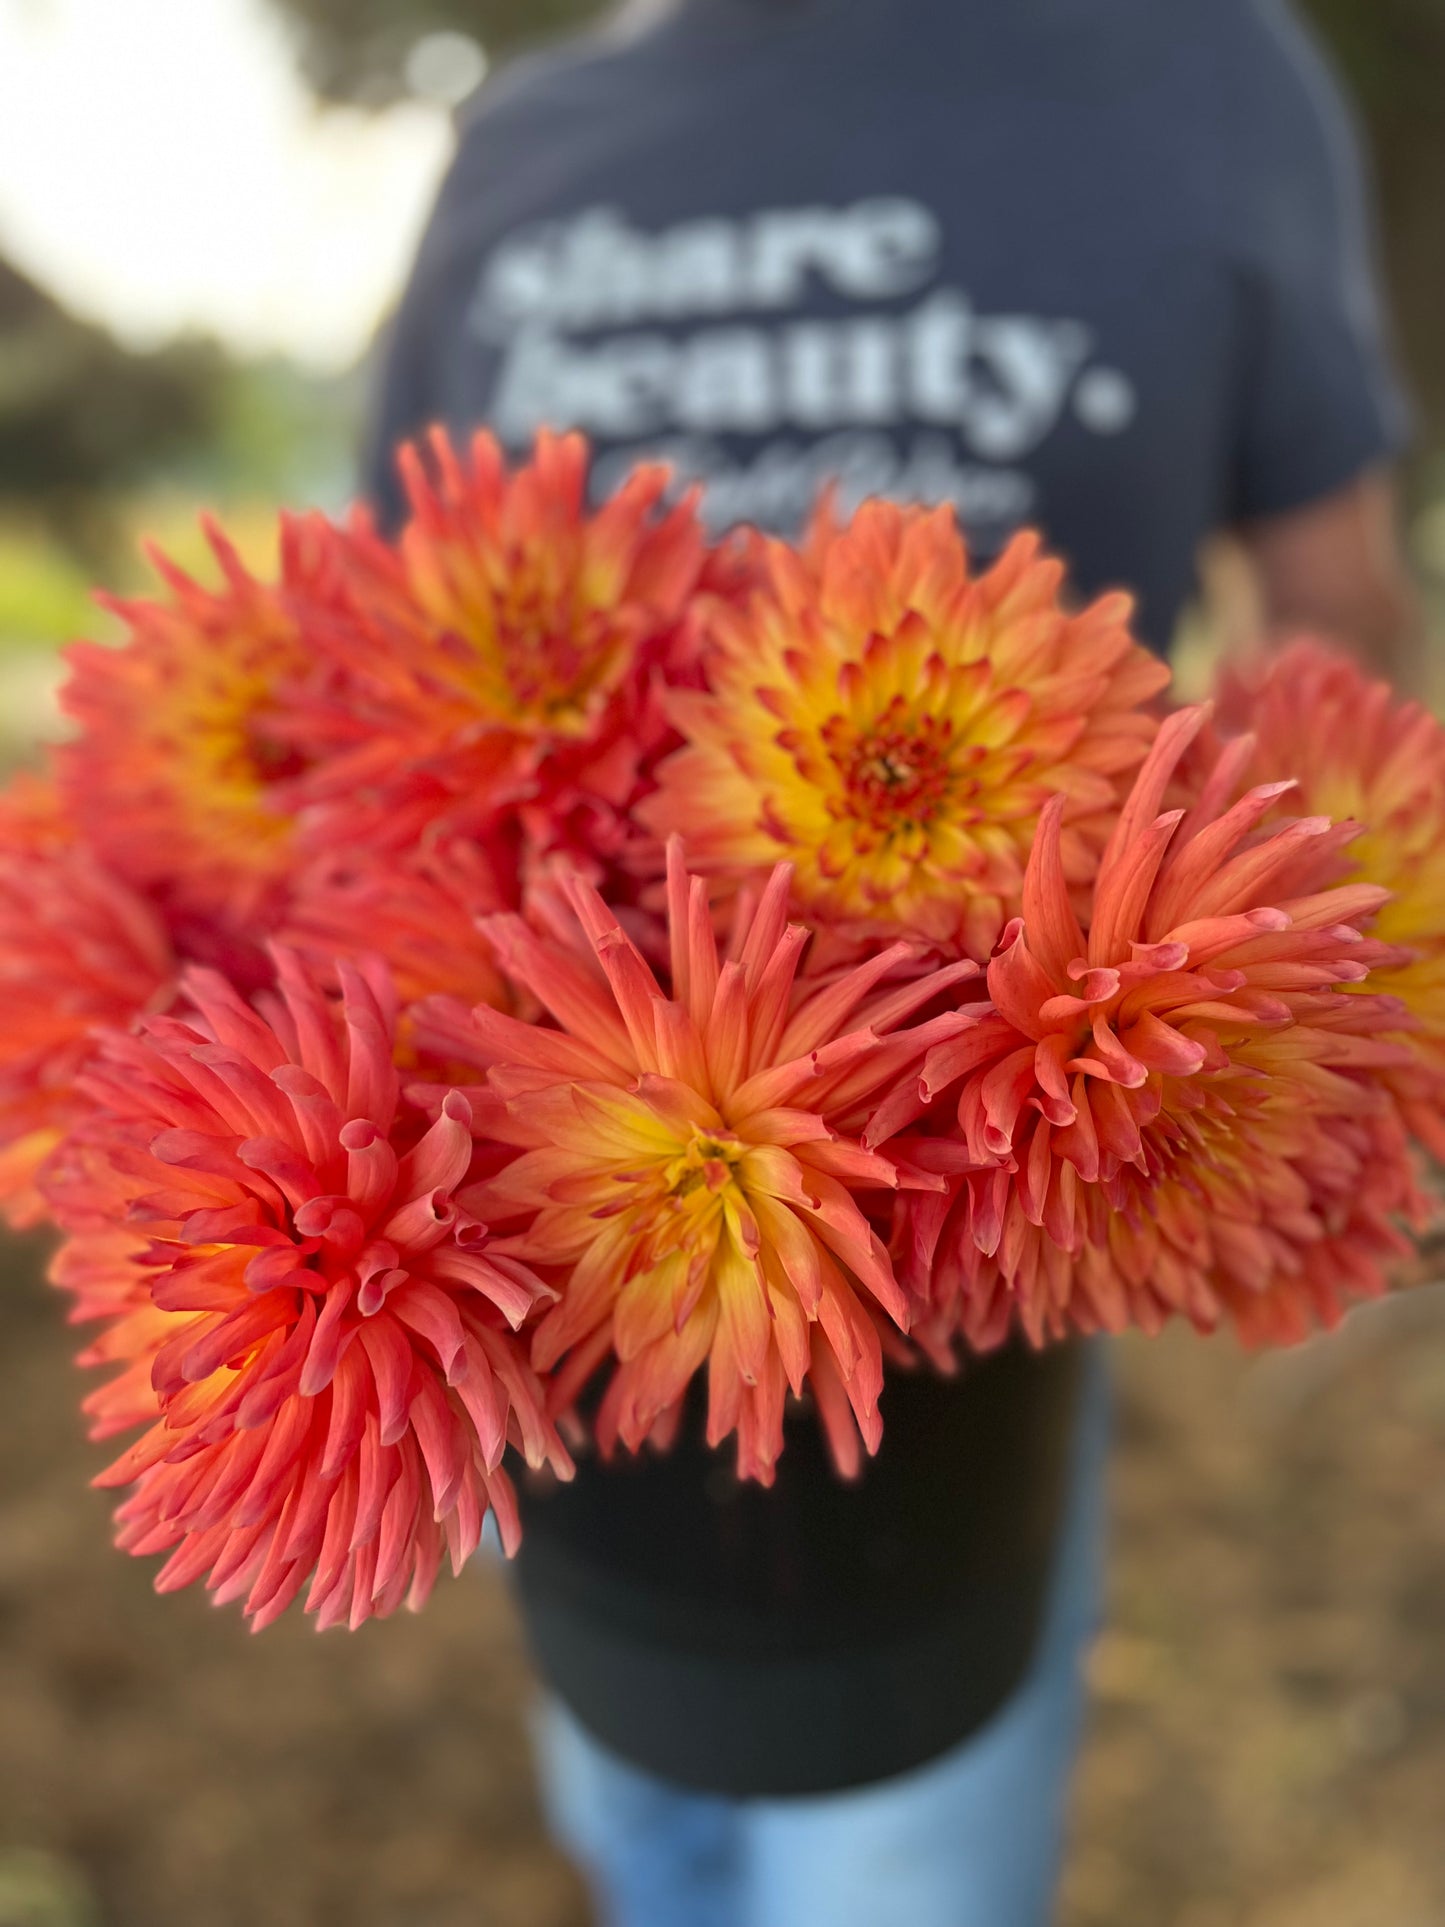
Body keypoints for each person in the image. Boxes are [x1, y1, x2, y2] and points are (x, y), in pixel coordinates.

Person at [364, 1, 1419, 1919]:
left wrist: (1295, 907)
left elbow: (1335, 599)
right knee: (628, 1801)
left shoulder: (1196, 64)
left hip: (994, 1259)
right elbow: (380, 642)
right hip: (548, 1248)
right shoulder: (521, 146)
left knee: (906, 1851)